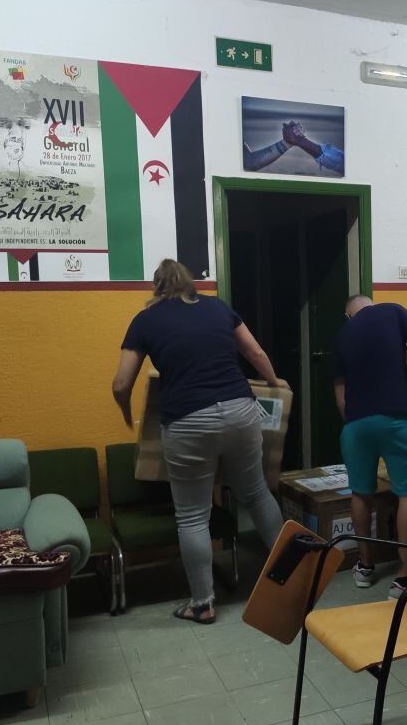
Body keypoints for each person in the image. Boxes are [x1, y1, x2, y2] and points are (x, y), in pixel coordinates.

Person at [111, 259, 286, 624]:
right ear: (190, 283)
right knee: (255, 493)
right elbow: (255, 353)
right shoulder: (217, 307)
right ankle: (290, 576)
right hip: (240, 411)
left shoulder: (145, 321)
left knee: (192, 515)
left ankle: (203, 603)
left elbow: (121, 383)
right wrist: (275, 384)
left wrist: (125, 410)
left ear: (156, 287)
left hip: (188, 420)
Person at [333, 295, 407, 598]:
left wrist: (358, 423)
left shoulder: (340, 336)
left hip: (356, 426)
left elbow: (342, 399)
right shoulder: (392, 310)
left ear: (349, 316)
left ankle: (365, 566)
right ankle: (404, 578)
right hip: (395, 419)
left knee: (361, 492)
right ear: (370, 304)